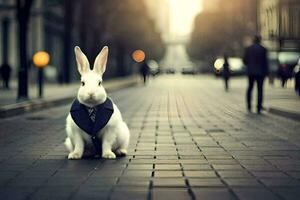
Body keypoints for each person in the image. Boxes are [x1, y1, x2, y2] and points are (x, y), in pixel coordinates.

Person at [243, 35, 269, 114]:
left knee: (250, 88)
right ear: (260, 40)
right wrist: (266, 72)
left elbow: (244, 60)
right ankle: (258, 107)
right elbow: (265, 62)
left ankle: (249, 106)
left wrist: (250, 65)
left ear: (253, 40)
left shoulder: (248, 48)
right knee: (260, 89)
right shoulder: (263, 49)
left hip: (251, 72)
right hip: (260, 72)